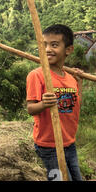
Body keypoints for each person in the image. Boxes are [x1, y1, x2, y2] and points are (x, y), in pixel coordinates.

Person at [26, 24, 84, 181]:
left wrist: (80, 83)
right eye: (44, 45)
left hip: (69, 142)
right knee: (59, 179)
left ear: (69, 49)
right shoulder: (36, 75)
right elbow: (31, 108)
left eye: (54, 45)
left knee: (76, 178)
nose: (47, 49)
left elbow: (76, 105)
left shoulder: (71, 77)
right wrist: (44, 104)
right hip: (49, 144)